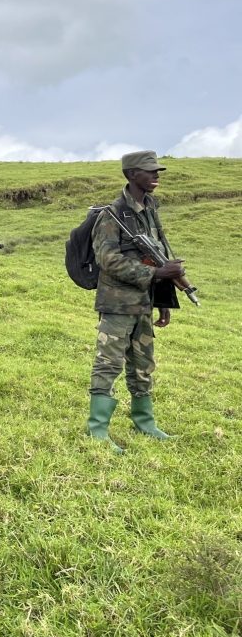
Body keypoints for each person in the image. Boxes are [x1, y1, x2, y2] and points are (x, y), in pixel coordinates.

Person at [87, 150, 185, 454]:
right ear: (132, 175)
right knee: (109, 363)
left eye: (157, 171)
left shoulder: (150, 209)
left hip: (144, 302)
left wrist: (163, 298)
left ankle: (145, 423)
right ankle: (97, 430)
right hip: (117, 304)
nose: (156, 175)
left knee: (143, 366)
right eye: (150, 171)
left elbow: (159, 253)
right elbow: (108, 260)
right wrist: (155, 273)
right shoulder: (112, 214)